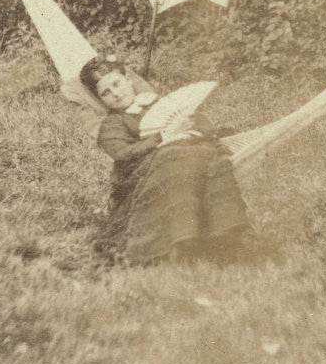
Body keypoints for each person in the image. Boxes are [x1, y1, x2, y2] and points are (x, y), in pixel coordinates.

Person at [80, 54, 252, 265]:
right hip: (142, 177)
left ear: (127, 79)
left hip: (191, 156)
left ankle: (225, 236)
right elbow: (124, 154)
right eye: (106, 93)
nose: (115, 94)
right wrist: (163, 137)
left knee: (210, 155)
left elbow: (205, 126)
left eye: (116, 83)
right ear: (101, 100)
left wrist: (190, 129)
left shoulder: (159, 103)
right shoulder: (112, 124)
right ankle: (183, 243)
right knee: (172, 156)